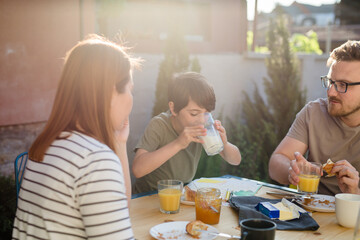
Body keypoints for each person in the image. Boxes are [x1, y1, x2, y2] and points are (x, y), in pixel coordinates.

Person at [13, 35, 140, 239]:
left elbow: (117, 212)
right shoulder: (95, 160)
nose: (131, 99)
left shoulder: (50, 146)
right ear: (110, 93)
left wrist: (119, 142)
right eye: (130, 89)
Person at [268, 40, 360, 196]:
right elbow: (276, 162)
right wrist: (292, 170)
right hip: (310, 211)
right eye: (330, 82)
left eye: (343, 84)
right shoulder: (314, 112)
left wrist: (355, 194)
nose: (330, 92)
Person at [132, 72, 241, 194]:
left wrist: (224, 143)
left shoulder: (203, 127)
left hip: (180, 194)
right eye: (194, 113)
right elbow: (138, 169)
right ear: (173, 108)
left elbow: (236, 160)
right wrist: (179, 143)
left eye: (206, 113)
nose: (201, 119)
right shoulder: (159, 125)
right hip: (149, 195)